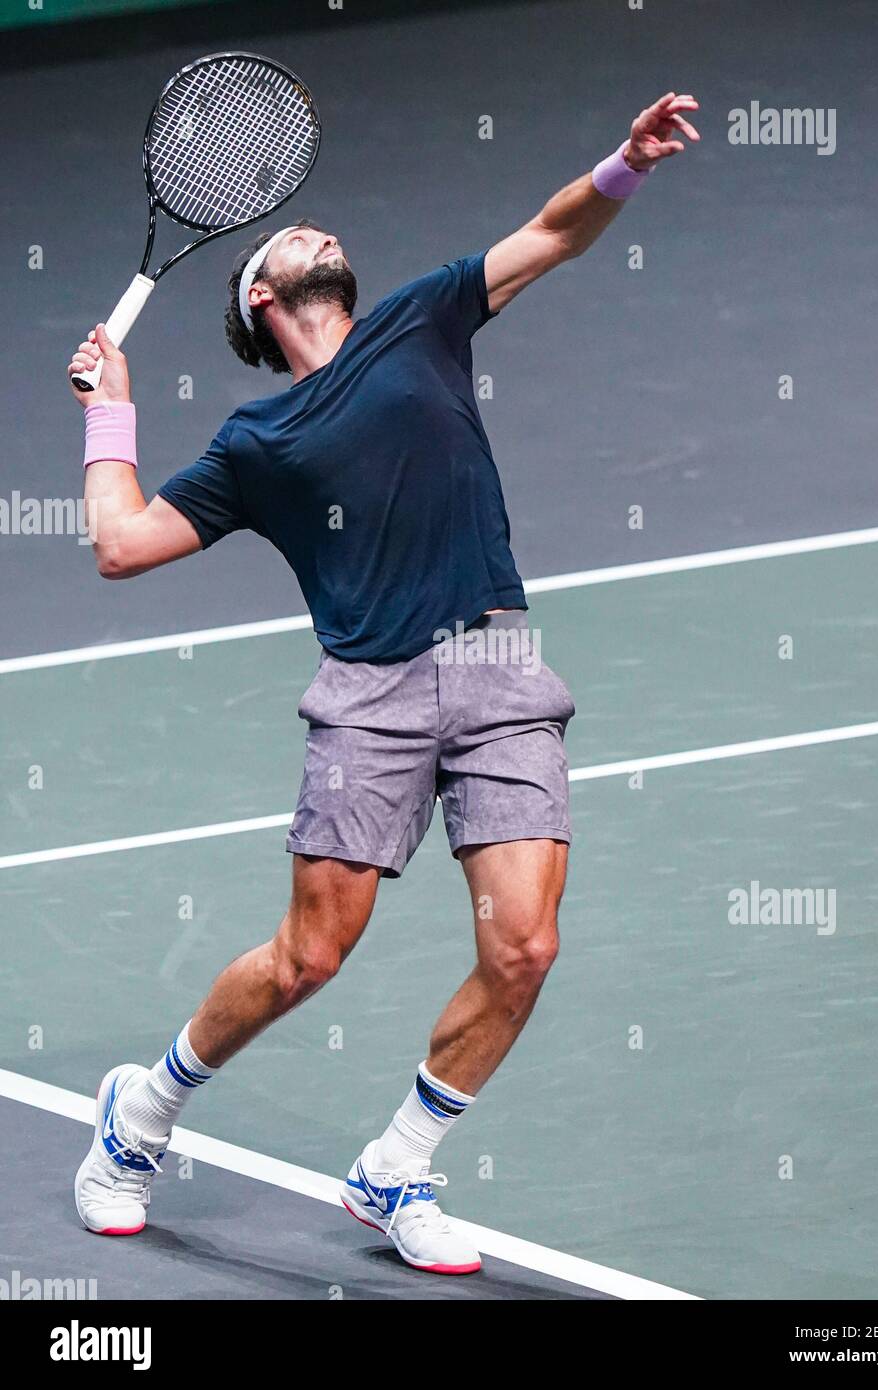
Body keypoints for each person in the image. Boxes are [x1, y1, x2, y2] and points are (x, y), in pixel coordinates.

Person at [68, 93, 699, 1274]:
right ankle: (139, 1115)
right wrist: (113, 414)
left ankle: (396, 1164)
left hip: (498, 661)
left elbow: (551, 234)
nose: (316, 229)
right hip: (372, 692)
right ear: (262, 296)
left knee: (524, 947)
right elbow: (120, 543)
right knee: (310, 957)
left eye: (320, 230)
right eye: (292, 238)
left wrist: (623, 163)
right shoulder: (256, 443)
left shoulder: (420, 321)